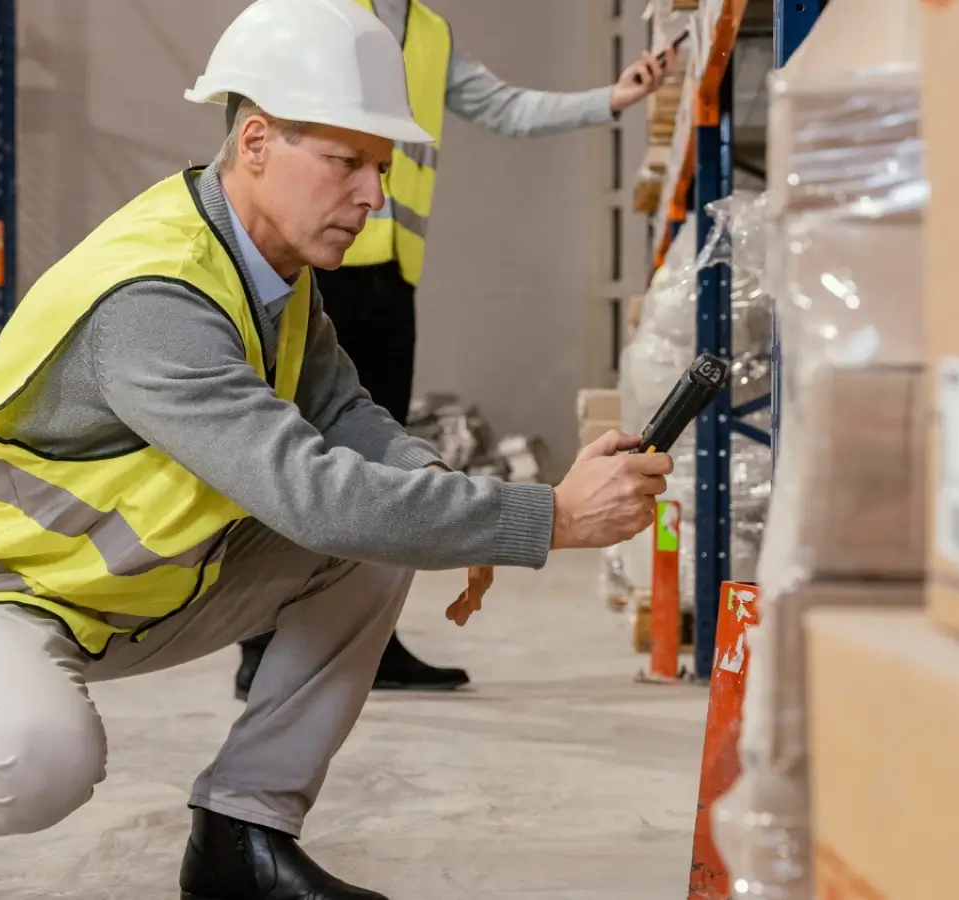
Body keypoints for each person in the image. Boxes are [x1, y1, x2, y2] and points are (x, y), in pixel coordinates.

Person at [0, 1, 672, 898]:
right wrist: (546, 516)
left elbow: (345, 414)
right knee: (38, 760)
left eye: (383, 168)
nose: (374, 196)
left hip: (129, 589)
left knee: (376, 538)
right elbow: (310, 492)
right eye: (346, 163)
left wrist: (455, 508)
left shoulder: (272, 271)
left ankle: (243, 836)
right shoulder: (157, 296)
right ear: (254, 143)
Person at [236, 0, 679, 699]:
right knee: (291, 451)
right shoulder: (320, 12)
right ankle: (263, 643)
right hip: (312, 260)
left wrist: (612, 99)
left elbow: (506, 108)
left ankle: (367, 638)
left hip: (386, 273)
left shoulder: (432, 34)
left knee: (378, 453)